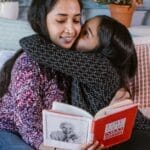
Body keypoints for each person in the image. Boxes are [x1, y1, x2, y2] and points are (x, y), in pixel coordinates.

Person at [22, 15, 150, 150]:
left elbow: (32, 44)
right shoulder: (79, 69)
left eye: (85, 33)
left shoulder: (98, 66)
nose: (75, 32)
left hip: (136, 137)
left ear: (102, 49)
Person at [0, 0, 83, 149]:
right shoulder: (28, 63)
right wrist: (45, 146)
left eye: (76, 20)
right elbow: (26, 122)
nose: (71, 29)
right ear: (42, 21)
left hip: (51, 132)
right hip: (10, 129)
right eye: (61, 20)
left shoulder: (76, 58)